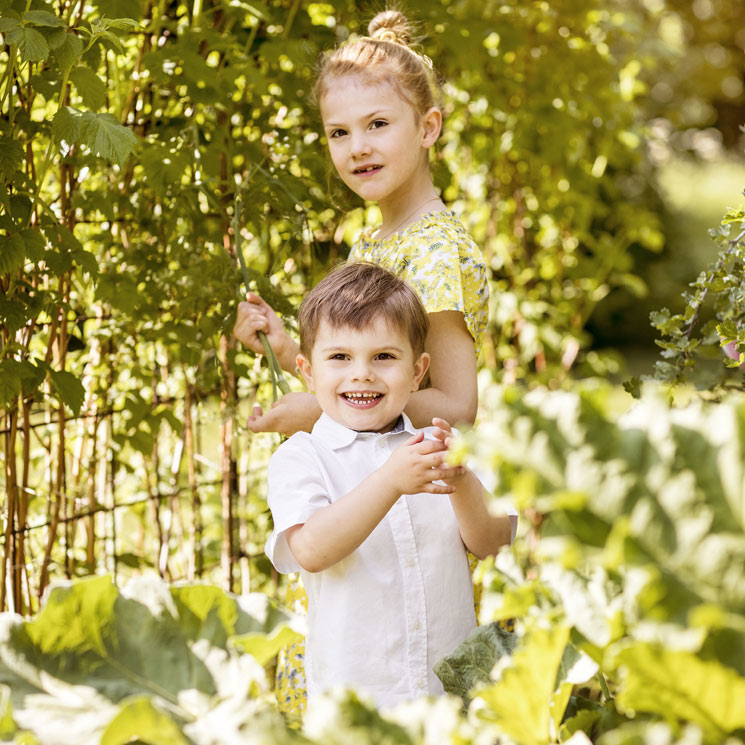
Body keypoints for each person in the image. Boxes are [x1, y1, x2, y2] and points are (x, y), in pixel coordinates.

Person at [264, 262, 516, 710]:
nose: (362, 373)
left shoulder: (444, 447)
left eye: (384, 356)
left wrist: (462, 481)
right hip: (359, 704)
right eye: (340, 357)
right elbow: (311, 550)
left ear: (418, 371)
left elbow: (494, 544)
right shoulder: (303, 457)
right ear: (307, 372)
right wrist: (389, 482)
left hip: (448, 700)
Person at [234, 8, 488, 438]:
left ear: (427, 128)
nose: (357, 148)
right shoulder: (372, 244)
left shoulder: (434, 248)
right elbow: (365, 383)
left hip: (423, 486)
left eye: (377, 124)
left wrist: (318, 413)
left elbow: (456, 405)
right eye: (339, 132)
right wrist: (286, 348)